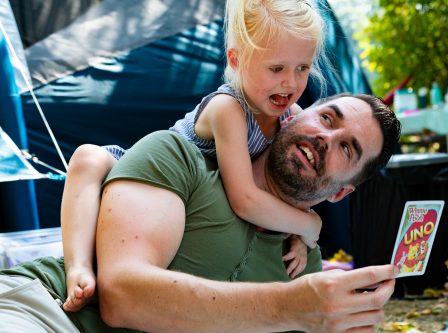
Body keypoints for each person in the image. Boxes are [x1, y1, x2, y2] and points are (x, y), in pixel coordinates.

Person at [0, 93, 401, 333]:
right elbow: (122, 296)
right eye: (327, 118)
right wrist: (289, 305)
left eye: (347, 148)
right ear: (294, 114)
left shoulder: (304, 265)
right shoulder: (179, 156)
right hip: (46, 313)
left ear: (342, 192)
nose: (325, 138)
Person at [60, 0, 329, 312]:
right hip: (153, 181)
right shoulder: (228, 109)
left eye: (302, 68)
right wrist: (310, 224)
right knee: (88, 158)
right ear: (237, 60)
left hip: (201, 203)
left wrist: (298, 233)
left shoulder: (290, 117)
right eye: (276, 68)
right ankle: (78, 268)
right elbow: (244, 198)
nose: (291, 82)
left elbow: (287, 193)